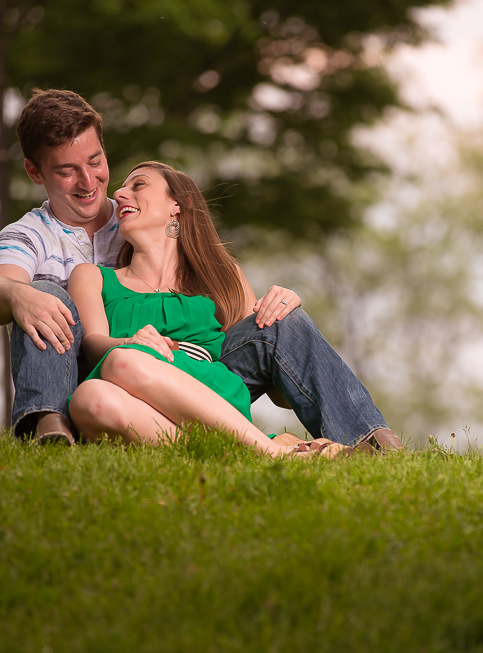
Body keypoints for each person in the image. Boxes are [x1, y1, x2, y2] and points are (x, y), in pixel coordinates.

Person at [0, 88, 404, 452]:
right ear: (35, 172)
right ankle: (48, 423)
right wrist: (20, 294)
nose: (92, 183)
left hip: (204, 373)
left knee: (281, 322)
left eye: (96, 162)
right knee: (42, 294)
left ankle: (369, 438)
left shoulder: (137, 221)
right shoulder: (31, 236)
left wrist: (280, 313)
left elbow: (266, 362)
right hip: (99, 375)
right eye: (68, 171)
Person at [67, 161, 344, 457]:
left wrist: (286, 316)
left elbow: (269, 364)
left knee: (123, 362)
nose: (119, 193)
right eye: (122, 187)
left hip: (207, 390)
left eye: (138, 185)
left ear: (177, 205)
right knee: (89, 398)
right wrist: (128, 343)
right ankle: (245, 451)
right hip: (126, 391)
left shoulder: (223, 277)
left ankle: (275, 454)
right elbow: (94, 343)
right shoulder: (92, 276)